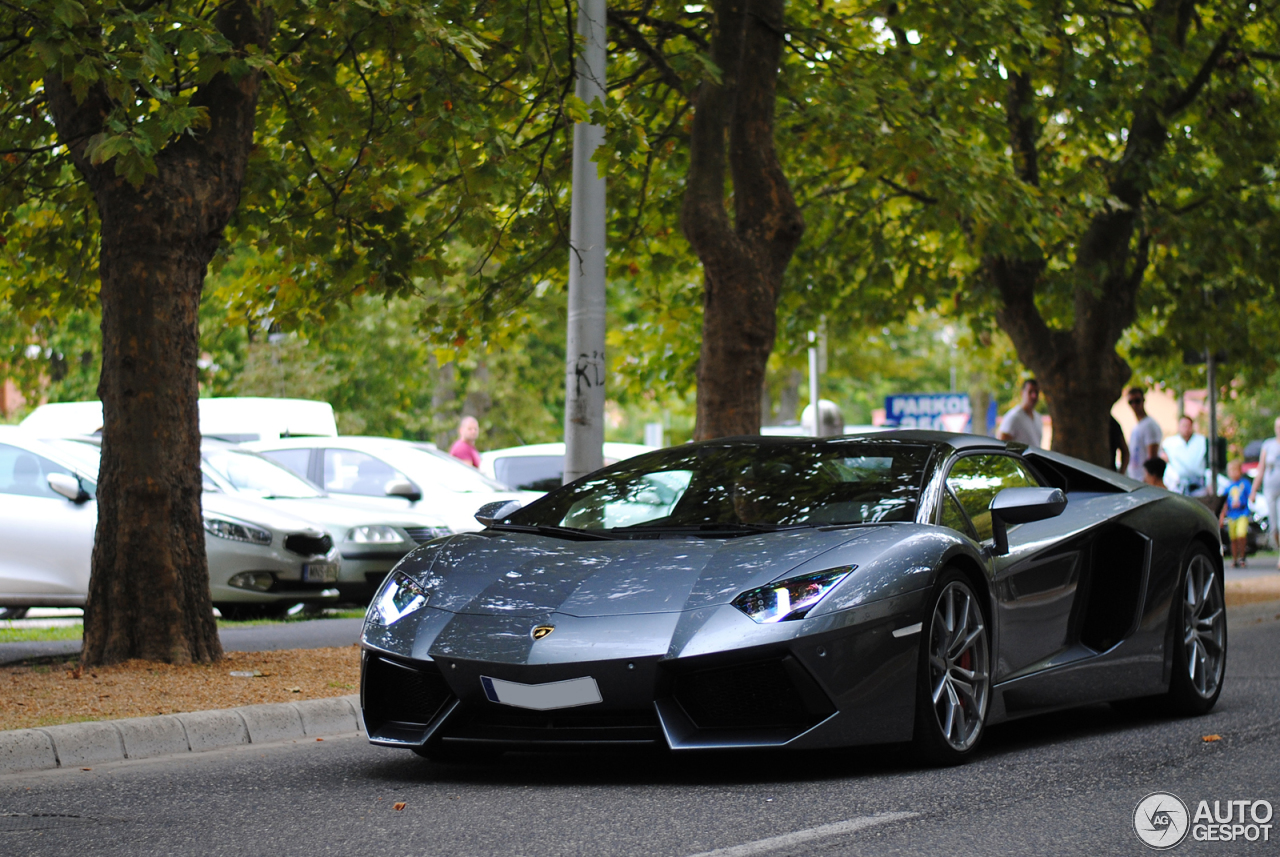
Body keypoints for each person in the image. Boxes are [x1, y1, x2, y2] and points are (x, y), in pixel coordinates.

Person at [1249, 416, 1280, 565]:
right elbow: (1260, 469)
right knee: (1274, 525)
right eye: (1277, 426)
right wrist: (1253, 490)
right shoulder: (1268, 445)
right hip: (1270, 489)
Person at [1161, 415, 1208, 495]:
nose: (1186, 428)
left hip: (1198, 484)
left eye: (1188, 426)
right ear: (1179, 426)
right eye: (1183, 426)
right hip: (1177, 485)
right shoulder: (1169, 443)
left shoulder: (1202, 441)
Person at [1125, 387, 1163, 482]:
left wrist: (1148, 480)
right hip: (1135, 480)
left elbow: (1152, 459)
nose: (1134, 405)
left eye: (1137, 401)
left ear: (1143, 400)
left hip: (1144, 481)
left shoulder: (1150, 425)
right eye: (1131, 402)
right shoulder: (1137, 427)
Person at [1221, 459, 1252, 568]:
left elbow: (1251, 493)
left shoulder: (1244, 483)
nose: (1233, 473)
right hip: (1231, 515)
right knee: (1233, 538)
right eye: (1231, 471)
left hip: (1242, 513)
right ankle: (1234, 558)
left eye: (1235, 470)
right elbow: (1224, 502)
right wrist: (1222, 515)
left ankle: (1242, 556)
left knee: (1241, 534)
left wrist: (1252, 497)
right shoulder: (1228, 486)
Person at [996, 379, 1042, 447]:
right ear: (1022, 393)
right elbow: (1001, 442)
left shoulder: (1038, 417)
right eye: (1030, 392)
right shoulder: (1014, 417)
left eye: (1036, 392)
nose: (1034, 396)